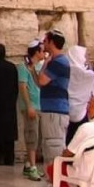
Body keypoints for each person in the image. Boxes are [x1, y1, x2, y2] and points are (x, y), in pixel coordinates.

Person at [33, 29, 71, 175]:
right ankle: (51, 183)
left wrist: (45, 62)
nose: (43, 44)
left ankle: (55, 186)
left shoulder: (59, 62)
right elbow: (40, 82)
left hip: (55, 111)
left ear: (52, 42)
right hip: (51, 111)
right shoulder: (54, 61)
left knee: (54, 148)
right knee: (48, 147)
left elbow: (42, 80)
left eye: (45, 41)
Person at [18, 40, 45, 181]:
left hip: (40, 106)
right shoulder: (23, 67)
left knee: (38, 137)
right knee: (31, 136)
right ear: (36, 52)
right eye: (42, 50)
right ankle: (33, 167)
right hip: (31, 107)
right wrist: (29, 106)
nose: (44, 53)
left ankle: (28, 165)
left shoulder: (40, 66)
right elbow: (22, 87)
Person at [66, 46, 94, 145]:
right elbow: (92, 94)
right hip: (82, 111)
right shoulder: (90, 75)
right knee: (80, 142)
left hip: (65, 110)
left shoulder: (64, 72)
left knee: (67, 140)